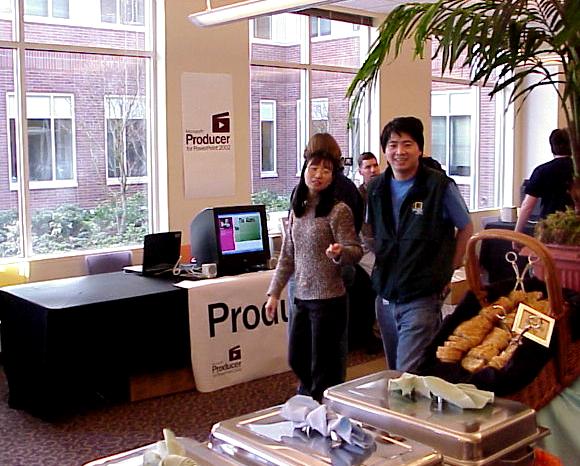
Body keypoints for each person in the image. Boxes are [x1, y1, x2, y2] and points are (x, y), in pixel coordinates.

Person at [367, 116, 474, 373]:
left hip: (422, 296)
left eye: (407, 144)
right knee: (395, 372)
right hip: (386, 296)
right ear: (385, 151)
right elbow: (370, 230)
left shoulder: (439, 186)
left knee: (408, 374)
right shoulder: (376, 188)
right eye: (393, 145)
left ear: (420, 149)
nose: (399, 151)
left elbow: (466, 227)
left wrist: (449, 269)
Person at [266, 149, 363, 402]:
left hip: (329, 299)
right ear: (304, 171)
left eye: (326, 170)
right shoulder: (298, 209)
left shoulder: (338, 210)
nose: (318, 174)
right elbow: (287, 255)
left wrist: (340, 252)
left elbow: (355, 250)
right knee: (297, 358)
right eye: (314, 168)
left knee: (324, 368)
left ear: (333, 177)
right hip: (301, 297)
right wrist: (274, 293)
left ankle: (320, 409)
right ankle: (309, 400)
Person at [515, 128, 573, 234]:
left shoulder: (542, 171)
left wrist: (516, 234)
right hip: (576, 227)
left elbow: (527, 206)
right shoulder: (576, 171)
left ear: (552, 147)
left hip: (549, 229)